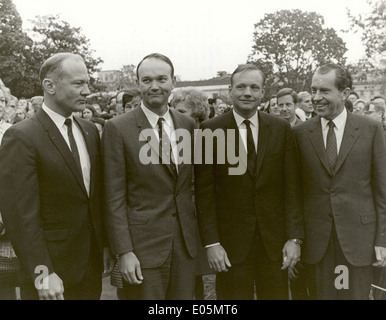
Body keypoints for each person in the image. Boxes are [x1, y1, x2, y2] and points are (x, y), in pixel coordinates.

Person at [0, 52, 111, 300]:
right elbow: (20, 214)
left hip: (89, 269)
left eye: (87, 83)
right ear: (49, 86)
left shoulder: (89, 130)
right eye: (78, 84)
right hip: (50, 277)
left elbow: (93, 197)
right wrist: (42, 273)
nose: (87, 91)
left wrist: (103, 246)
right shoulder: (22, 136)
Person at [194, 64, 304, 300]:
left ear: (263, 92)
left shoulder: (281, 129)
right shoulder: (209, 130)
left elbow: (292, 188)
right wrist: (212, 243)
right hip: (230, 246)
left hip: (274, 245)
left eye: (254, 87)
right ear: (230, 90)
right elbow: (204, 193)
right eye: (241, 86)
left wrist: (294, 238)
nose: (247, 92)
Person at [103, 53, 198, 300]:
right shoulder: (118, 128)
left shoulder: (187, 125)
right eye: (146, 80)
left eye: (161, 79)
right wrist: (124, 251)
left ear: (173, 82)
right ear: (138, 84)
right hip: (142, 250)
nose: (154, 86)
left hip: (184, 247)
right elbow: (113, 197)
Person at [293, 63, 386, 300]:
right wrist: (295, 239)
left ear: (344, 93)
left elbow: (382, 190)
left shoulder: (371, 129)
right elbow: (293, 193)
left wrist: (381, 239)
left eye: (324, 91)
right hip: (317, 243)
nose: (316, 98)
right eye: (313, 91)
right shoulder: (300, 134)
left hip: (358, 241)